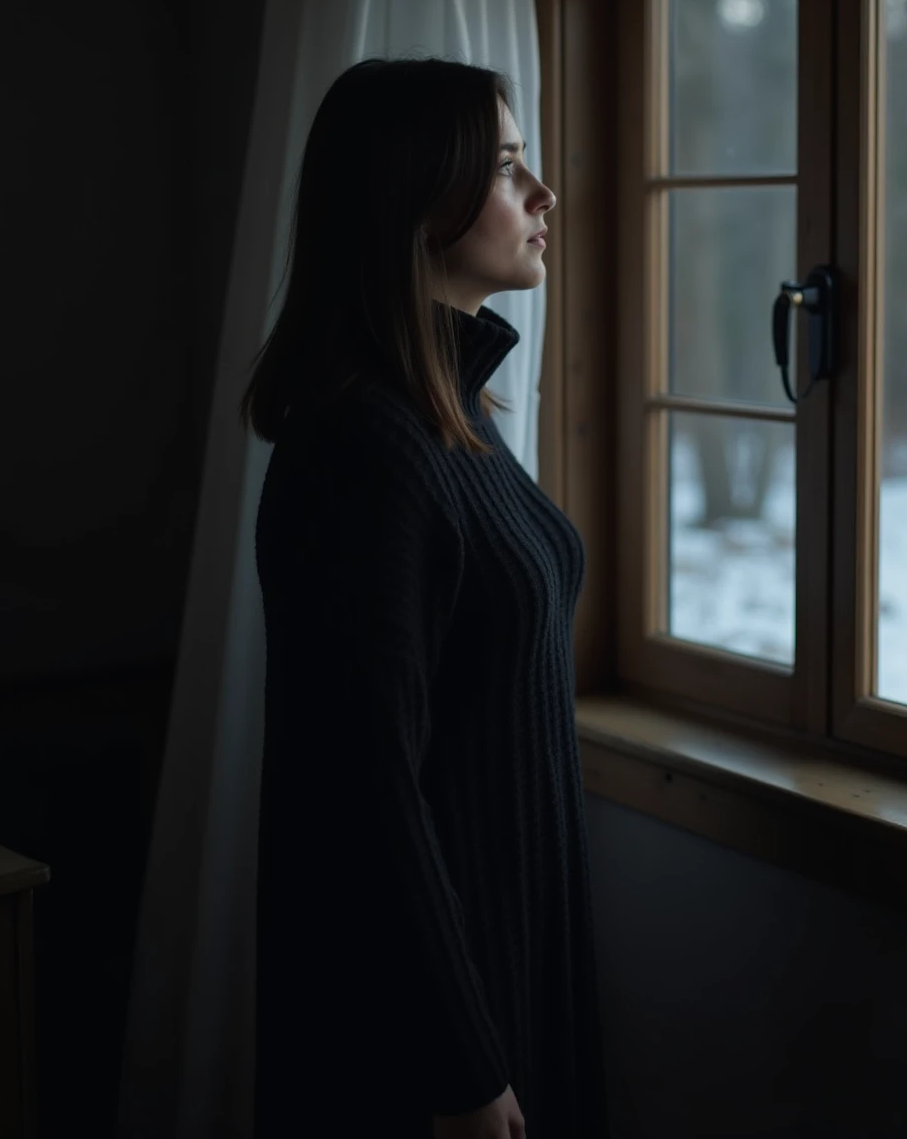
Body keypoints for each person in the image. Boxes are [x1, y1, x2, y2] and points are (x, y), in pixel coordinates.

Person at [241, 58, 610, 1139]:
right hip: (430, 1022)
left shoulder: (454, 413)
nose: (542, 193)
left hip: (508, 951)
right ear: (414, 199)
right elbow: (363, 790)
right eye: (505, 167)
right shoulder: (365, 449)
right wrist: (460, 1063)